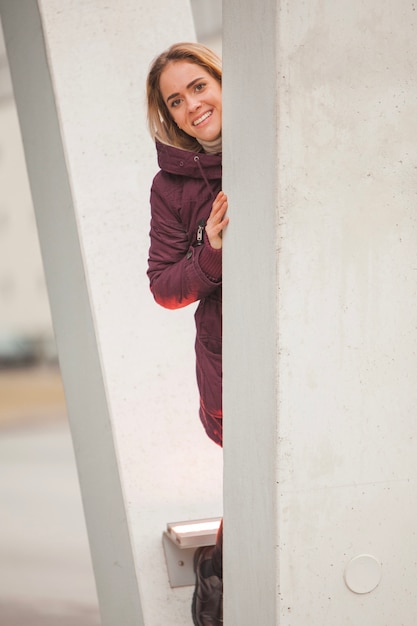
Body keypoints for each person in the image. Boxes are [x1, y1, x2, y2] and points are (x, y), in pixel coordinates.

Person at [146, 42, 227, 625]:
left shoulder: (283, 140)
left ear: (223, 80)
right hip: (230, 363)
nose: (191, 106)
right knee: (257, 486)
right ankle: (218, 590)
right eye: (176, 100)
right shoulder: (170, 185)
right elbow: (165, 287)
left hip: (314, 347)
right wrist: (212, 250)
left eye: (198, 86)